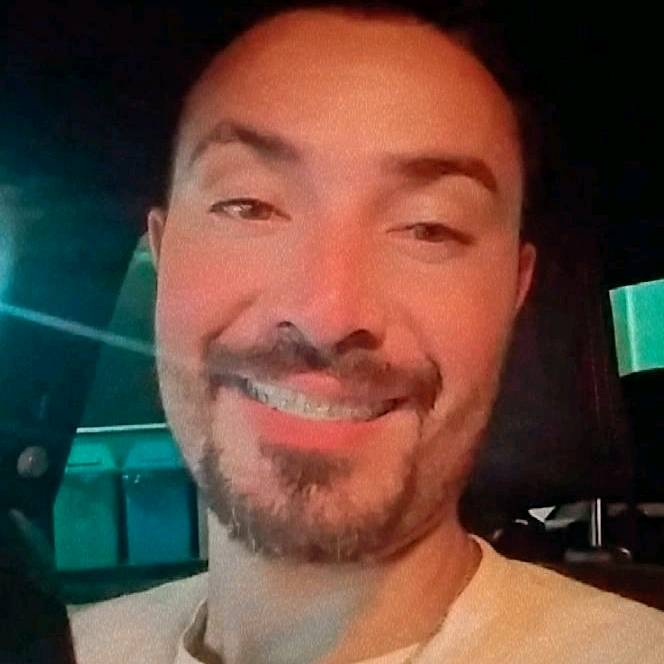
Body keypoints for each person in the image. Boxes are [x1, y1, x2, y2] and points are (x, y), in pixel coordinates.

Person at [69, 2, 664, 662]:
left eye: (429, 229)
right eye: (250, 205)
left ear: (514, 294)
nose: (327, 316)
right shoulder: (55, 644)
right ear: (163, 251)